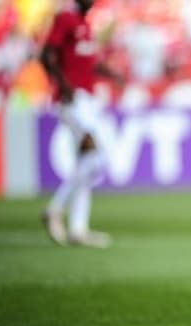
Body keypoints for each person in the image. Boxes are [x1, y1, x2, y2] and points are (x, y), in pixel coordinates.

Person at [40, 0, 122, 248]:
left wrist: (110, 73)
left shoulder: (84, 24)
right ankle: (55, 209)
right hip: (72, 99)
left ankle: (77, 228)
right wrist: (64, 87)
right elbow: (46, 54)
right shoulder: (65, 18)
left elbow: (86, 63)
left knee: (87, 162)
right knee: (96, 155)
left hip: (86, 99)